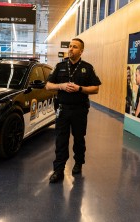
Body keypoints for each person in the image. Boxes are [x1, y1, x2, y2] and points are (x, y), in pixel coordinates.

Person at [45, 38, 101, 183]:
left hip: (80, 110)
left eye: (74, 47)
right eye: (69, 46)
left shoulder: (87, 68)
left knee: (78, 139)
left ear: (81, 50)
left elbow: (96, 88)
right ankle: (58, 170)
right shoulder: (60, 66)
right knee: (60, 140)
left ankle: (78, 163)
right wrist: (61, 86)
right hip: (62, 110)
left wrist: (80, 88)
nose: (70, 49)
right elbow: (48, 86)